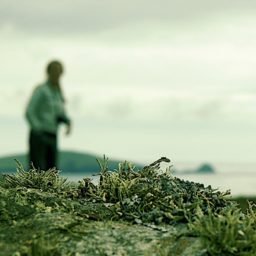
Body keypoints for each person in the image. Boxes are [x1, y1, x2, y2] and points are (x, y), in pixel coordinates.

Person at [25, 60, 71, 170]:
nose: (57, 75)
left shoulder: (58, 93)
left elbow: (59, 113)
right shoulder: (41, 90)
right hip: (39, 136)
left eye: (59, 72)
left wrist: (67, 122)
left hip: (53, 135)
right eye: (55, 71)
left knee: (52, 170)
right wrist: (38, 129)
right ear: (48, 72)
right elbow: (30, 111)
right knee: (38, 169)